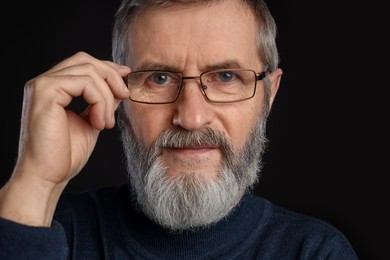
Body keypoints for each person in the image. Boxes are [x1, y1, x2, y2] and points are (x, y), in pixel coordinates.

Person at [0, 0, 359, 259]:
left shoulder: (314, 252)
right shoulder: (45, 229)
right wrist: (34, 183)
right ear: (116, 92)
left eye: (225, 77)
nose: (190, 117)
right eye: (159, 78)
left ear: (268, 95)